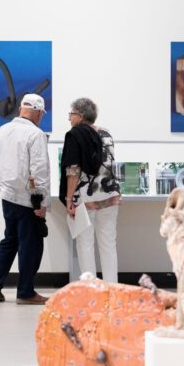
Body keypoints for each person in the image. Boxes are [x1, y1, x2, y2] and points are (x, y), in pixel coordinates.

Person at [0, 94, 51, 304]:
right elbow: (39, 171)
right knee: (31, 244)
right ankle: (26, 292)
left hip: (7, 196)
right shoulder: (36, 134)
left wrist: (2, 186)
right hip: (29, 200)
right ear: (38, 113)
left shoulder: (1, 130)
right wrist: (41, 202)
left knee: (10, 239)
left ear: (21, 109)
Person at [60, 98, 120, 282]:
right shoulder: (106, 133)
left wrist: (68, 199)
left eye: (71, 114)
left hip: (85, 197)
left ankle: (91, 288)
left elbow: (73, 170)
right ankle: (112, 288)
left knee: (85, 244)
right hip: (110, 195)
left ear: (80, 116)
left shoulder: (75, 135)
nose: (69, 118)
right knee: (108, 244)